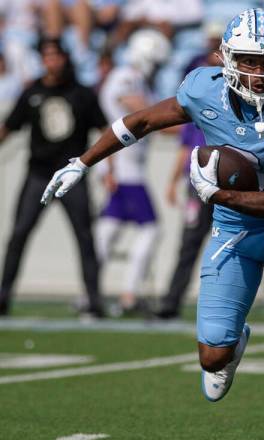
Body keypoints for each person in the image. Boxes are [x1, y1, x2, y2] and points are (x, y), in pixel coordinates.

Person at [40, 9, 264, 440]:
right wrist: (82, 162)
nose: (259, 72)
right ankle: (232, 343)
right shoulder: (204, 89)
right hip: (233, 230)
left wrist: (215, 191)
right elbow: (139, 122)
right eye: (249, 60)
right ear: (227, 58)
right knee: (213, 356)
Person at [0, 38, 106, 317]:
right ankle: (3, 296)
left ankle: (94, 300)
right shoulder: (32, 91)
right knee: (19, 234)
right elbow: (10, 127)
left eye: (56, 56)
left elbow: (104, 130)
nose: (52, 62)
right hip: (38, 174)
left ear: (64, 58)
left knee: (84, 236)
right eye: (46, 56)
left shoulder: (81, 93)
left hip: (71, 175)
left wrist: (110, 169)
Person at [95, 29, 170, 314]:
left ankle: (90, 291)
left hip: (123, 166)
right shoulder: (127, 77)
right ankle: (128, 293)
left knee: (107, 231)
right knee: (150, 229)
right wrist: (189, 121)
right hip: (126, 169)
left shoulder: (134, 79)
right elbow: (144, 114)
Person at [154, 122, 211, 320]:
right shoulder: (194, 116)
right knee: (188, 245)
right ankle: (171, 301)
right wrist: (173, 181)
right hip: (197, 187)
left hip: (229, 184)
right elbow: (185, 150)